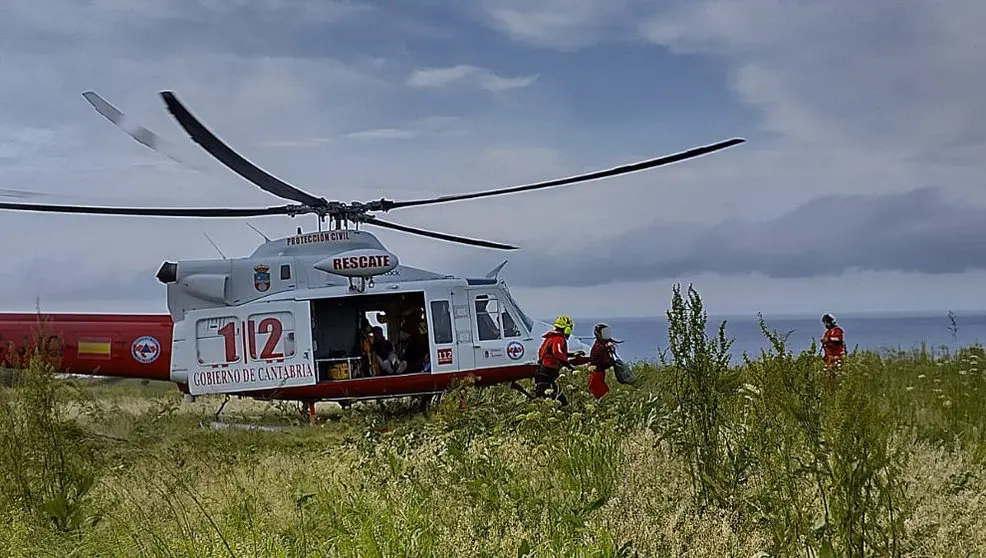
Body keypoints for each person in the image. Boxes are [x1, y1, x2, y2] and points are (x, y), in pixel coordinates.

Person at [534, 315, 587, 405]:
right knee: (554, 398)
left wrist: (573, 354)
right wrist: (568, 365)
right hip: (548, 372)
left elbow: (552, 353)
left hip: (542, 370)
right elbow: (557, 353)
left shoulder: (550, 338)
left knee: (547, 395)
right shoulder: (558, 339)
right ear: (567, 329)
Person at [587, 323, 622, 399]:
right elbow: (605, 363)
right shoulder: (599, 347)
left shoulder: (601, 345)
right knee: (601, 396)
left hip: (598, 374)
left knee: (602, 395)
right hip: (596, 375)